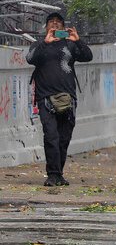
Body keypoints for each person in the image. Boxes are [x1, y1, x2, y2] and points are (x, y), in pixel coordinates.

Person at [25, 12, 92, 186]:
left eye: (58, 23)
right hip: (45, 98)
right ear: (46, 26)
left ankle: (59, 173)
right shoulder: (39, 44)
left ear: (63, 27)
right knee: (51, 136)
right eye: (51, 22)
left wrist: (78, 40)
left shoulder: (70, 44)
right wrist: (44, 43)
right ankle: (53, 174)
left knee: (64, 138)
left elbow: (87, 56)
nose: (55, 25)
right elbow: (30, 59)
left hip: (68, 99)